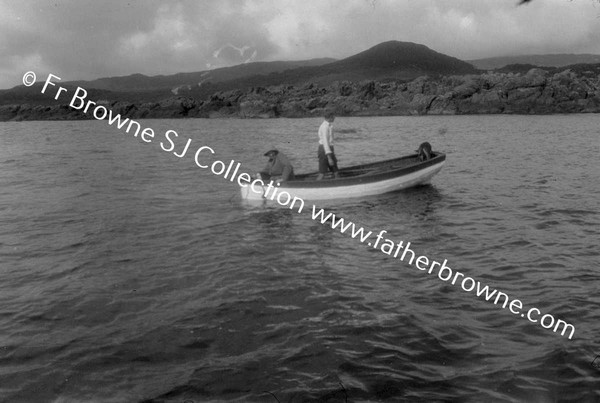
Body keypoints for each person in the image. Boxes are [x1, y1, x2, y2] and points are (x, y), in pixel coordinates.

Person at [317, 112, 339, 180]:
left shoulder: (329, 126)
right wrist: (329, 157)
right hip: (324, 150)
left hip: (329, 150)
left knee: (335, 171)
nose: (335, 118)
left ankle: (338, 184)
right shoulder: (324, 127)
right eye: (334, 116)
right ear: (330, 117)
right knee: (322, 173)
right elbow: (325, 142)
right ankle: (316, 186)